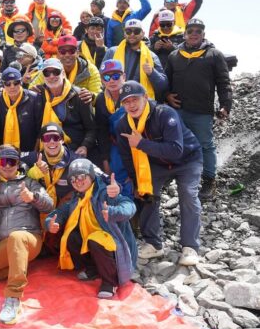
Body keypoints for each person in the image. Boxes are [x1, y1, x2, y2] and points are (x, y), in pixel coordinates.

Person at [116, 81, 202, 266]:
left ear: (146, 97)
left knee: (188, 194)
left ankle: (190, 246)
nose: (131, 105)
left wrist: (141, 144)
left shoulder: (165, 114)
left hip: (187, 159)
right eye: (126, 102)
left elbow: (175, 150)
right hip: (157, 165)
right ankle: (153, 244)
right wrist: (138, 182)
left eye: (135, 99)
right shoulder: (123, 125)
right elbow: (127, 157)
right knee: (147, 195)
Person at [0, 144, 54, 324]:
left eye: (11, 161)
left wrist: (33, 198)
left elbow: (50, 204)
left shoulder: (28, 182)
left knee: (17, 236)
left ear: (18, 163)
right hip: (5, 244)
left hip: (28, 238)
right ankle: (18, 266)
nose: (7, 166)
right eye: (2, 161)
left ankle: (13, 298)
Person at [45, 159, 136, 299]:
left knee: (96, 239)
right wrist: (50, 223)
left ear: (92, 177)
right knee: (71, 236)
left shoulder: (105, 193)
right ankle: (93, 269)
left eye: (82, 176)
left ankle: (110, 281)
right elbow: (59, 212)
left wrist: (114, 212)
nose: (78, 181)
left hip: (113, 248)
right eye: (73, 178)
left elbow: (129, 206)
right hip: (93, 243)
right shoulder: (76, 198)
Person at [165, 19, 232, 200]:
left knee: (205, 145)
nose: (194, 33)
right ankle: (177, 177)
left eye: (198, 31)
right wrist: (167, 96)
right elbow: (166, 82)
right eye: (191, 30)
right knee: (176, 143)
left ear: (203, 34)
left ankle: (209, 181)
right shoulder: (174, 55)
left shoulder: (214, 55)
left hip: (202, 111)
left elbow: (224, 83)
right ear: (185, 33)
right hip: (178, 110)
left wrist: (226, 105)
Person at [32, 59, 96, 157]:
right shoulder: (38, 95)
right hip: (46, 149)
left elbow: (91, 128)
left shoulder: (80, 95)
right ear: (43, 77)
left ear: (63, 73)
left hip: (73, 149)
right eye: (47, 73)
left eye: (55, 72)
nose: (51, 76)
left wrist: (85, 146)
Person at [93, 60, 133, 198]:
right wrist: (105, 160)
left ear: (124, 76)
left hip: (137, 143)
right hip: (115, 143)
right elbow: (102, 131)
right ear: (102, 80)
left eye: (116, 76)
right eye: (106, 77)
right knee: (115, 173)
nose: (111, 81)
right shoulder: (100, 100)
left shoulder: (134, 94)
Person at [104, 18, 168, 101]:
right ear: (124, 34)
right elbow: (102, 77)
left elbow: (163, 86)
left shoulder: (151, 56)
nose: (132, 34)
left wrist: (152, 73)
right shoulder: (112, 52)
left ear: (143, 34)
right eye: (128, 31)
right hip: (116, 101)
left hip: (140, 103)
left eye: (136, 31)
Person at [30, 35, 101, 104]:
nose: (67, 55)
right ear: (58, 54)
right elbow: (31, 88)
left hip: (80, 110)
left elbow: (99, 96)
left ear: (77, 53)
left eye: (71, 51)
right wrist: (33, 91)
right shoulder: (50, 67)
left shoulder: (90, 69)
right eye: (63, 52)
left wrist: (92, 96)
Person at [0, 67, 42, 152]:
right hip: (2, 150)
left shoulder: (34, 98)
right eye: (8, 83)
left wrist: (35, 152)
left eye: (16, 83)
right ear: (3, 84)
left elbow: (39, 129)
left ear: (21, 82)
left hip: (29, 150)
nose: (12, 87)